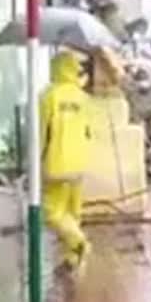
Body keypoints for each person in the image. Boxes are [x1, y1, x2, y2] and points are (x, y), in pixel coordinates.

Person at [40, 49, 92, 277]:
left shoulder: (48, 97)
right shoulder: (83, 97)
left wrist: (35, 159)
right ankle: (71, 259)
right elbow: (88, 132)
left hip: (56, 163)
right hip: (79, 163)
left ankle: (80, 244)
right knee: (73, 213)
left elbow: (40, 133)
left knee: (52, 213)